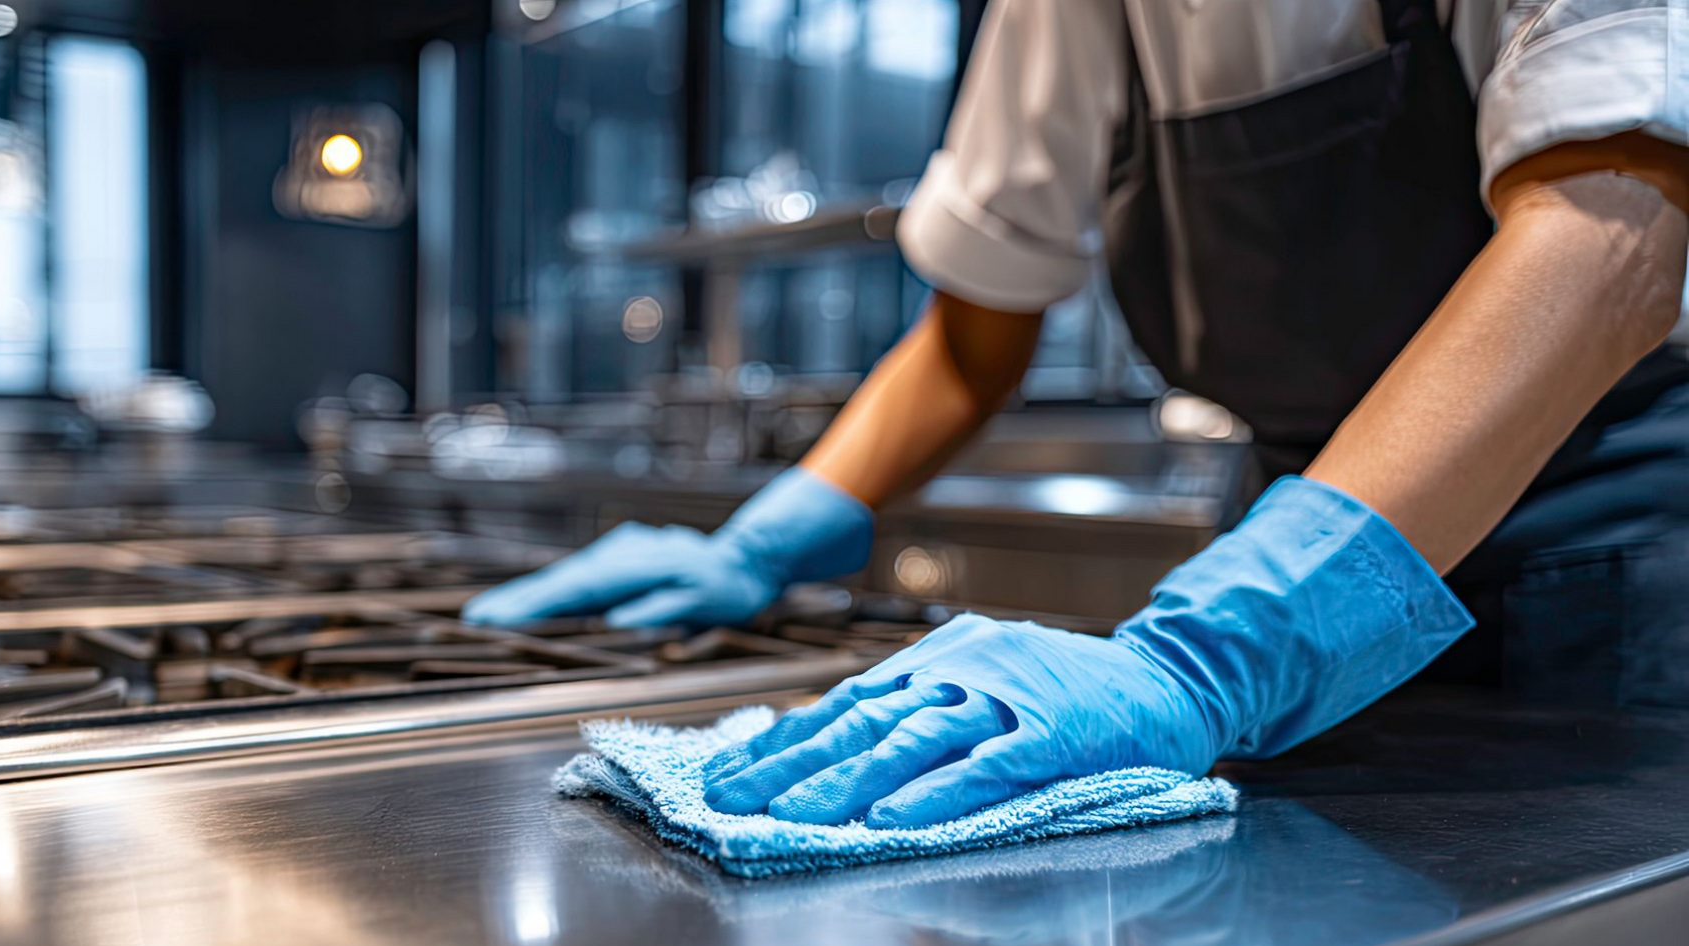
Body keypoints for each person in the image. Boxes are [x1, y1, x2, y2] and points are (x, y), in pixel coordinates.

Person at [468, 0, 1689, 829]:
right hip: (1282, 527)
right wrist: (775, 533)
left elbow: (1613, 238)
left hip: (1602, 538)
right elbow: (976, 327)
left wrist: (1215, 650)